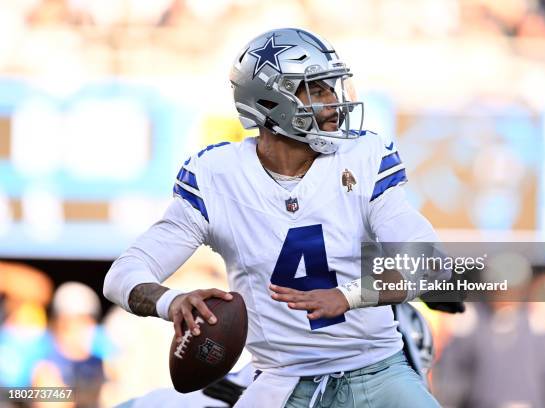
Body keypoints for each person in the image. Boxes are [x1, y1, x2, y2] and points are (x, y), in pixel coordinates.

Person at [104, 27, 448, 407]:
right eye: (315, 89)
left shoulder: (364, 157)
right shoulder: (217, 175)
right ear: (270, 101)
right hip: (282, 383)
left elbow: (429, 263)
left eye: (332, 87)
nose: (333, 102)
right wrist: (174, 302)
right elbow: (122, 276)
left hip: (377, 373)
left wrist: (348, 296)